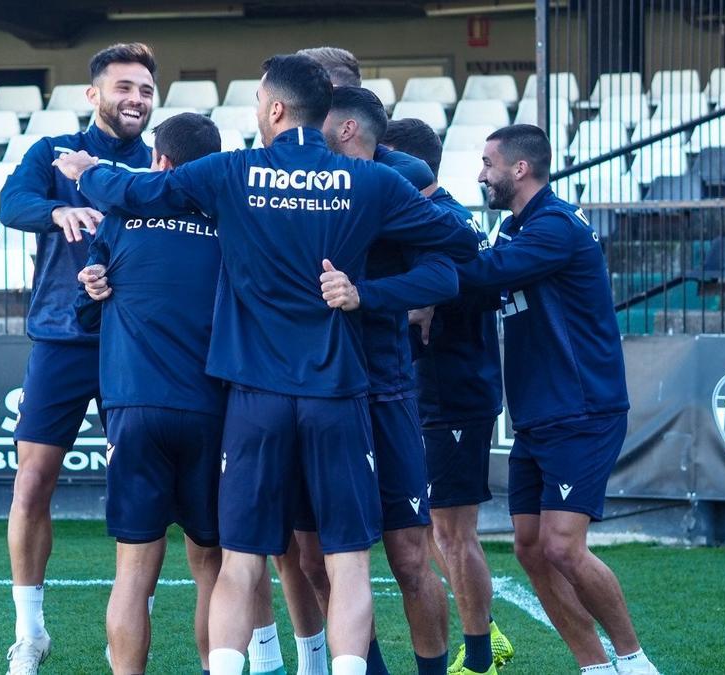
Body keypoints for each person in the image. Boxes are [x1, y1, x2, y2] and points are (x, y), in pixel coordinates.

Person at [54, 53, 479, 675]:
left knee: (243, 562)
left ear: (276, 108)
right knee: (347, 561)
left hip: (254, 398)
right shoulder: (371, 182)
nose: (256, 111)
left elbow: (143, 189)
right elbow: (462, 242)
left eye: (258, 101)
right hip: (337, 393)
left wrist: (87, 172)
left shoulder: (232, 172)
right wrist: (367, 291)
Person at [473, 124, 659, 675]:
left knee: (561, 547)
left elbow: (489, 273)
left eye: (488, 164)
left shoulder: (554, 226)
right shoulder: (517, 228)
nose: (481, 174)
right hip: (537, 411)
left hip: (582, 409)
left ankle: (635, 661)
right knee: (530, 548)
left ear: (520, 169)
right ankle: (594, 668)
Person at [0, 42, 156, 674]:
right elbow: (11, 205)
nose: (135, 99)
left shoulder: (159, 164)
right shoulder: (52, 153)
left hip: (138, 345)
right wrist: (57, 207)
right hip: (63, 337)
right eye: (123, 87)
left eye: (144, 89)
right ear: (94, 95)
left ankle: (130, 638)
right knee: (32, 482)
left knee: (141, 493)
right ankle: (30, 634)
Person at [299, 85, 457, 675]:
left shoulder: (399, 176)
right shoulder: (293, 178)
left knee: (410, 557)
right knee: (320, 560)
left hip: (385, 386)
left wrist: (368, 297)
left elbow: (445, 274)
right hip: (311, 389)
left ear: (344, 125)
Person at [79, 112, 223, 675]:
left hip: (134, 406)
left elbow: (86, 310)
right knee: (211, 565)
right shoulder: (228, 221)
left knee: (134, 572)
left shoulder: (120, 217)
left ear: (158, 161)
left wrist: (94, 281)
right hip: (211, 408)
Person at [380, 117, 514, 675]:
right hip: (430, 392)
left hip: (454, 394)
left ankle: (483, 654)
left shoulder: (446, 221)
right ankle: (484, 637)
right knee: (434, 527)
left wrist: (422, 301)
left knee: (452, 532)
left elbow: (479, 287)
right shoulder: (428, 218)